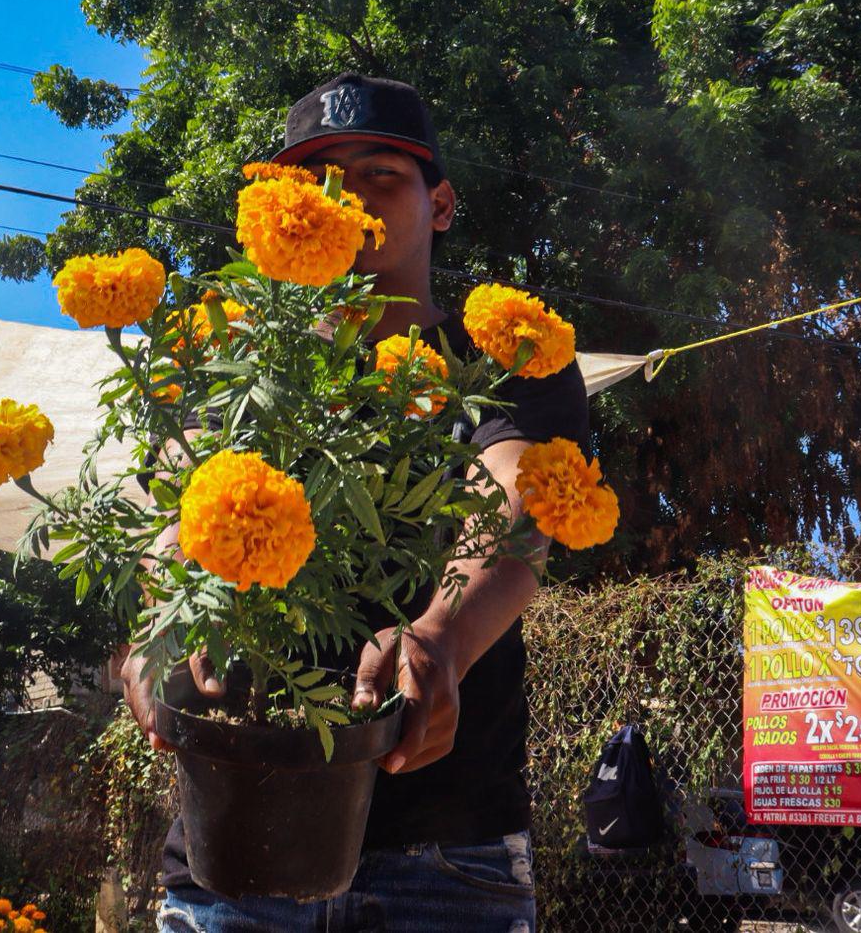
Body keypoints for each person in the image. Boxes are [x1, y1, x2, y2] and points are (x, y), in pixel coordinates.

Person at [121, 73, 591, 932]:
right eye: (321, 181)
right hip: (233, 844)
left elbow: (517, 490)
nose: (350, 201)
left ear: (441, 204)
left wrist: (440, 634)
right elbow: (170, 514)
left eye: (381, 174)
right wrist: (159, 629)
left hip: (448, 860)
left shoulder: (508, 355)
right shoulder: (233, 365)